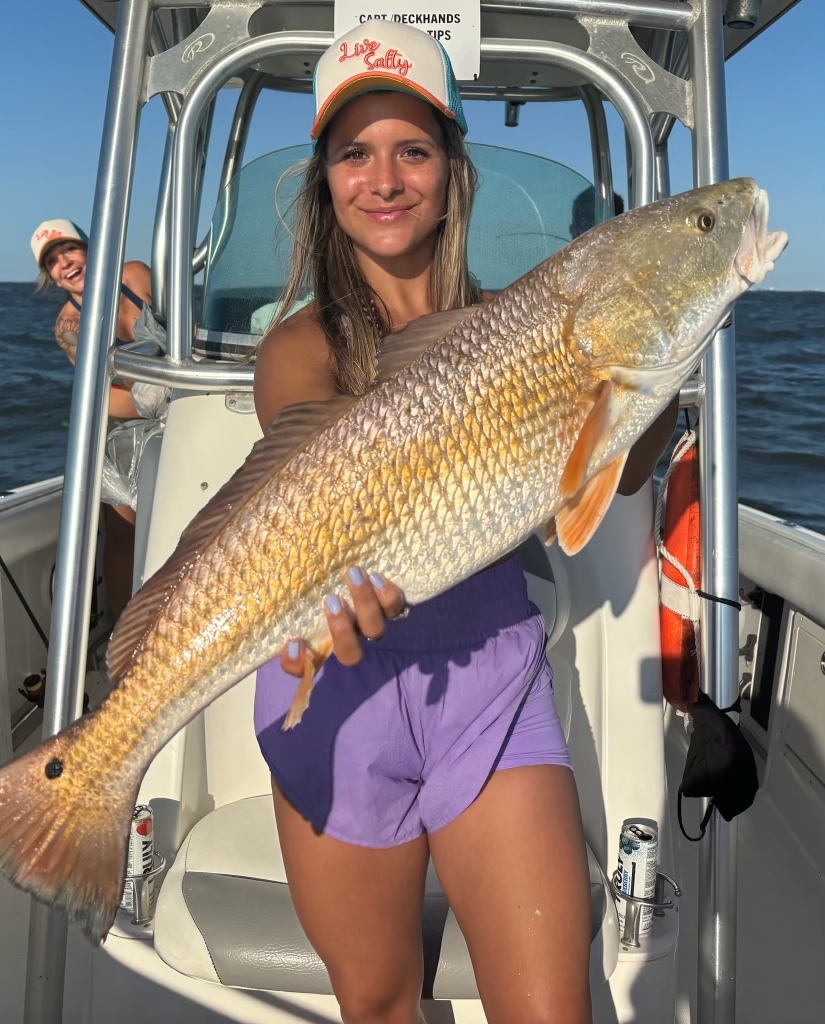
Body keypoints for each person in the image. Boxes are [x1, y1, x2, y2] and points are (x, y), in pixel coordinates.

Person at [252, 22, 677, 1024]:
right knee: (380, 1005)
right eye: (354, 153)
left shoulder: (540, 324)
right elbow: (319, 482)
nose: (385, 178)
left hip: (487, 686)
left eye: (412, 149)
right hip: (333, 694)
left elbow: (624, 474)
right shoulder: (299, 348)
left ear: (452, 167)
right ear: (324, 179)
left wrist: (651, 356)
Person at [30, 219, 154, 617]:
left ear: (89, 247)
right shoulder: (68, 325)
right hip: (119, 426)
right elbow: (103, 389)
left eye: (68, 250)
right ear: (50, 276)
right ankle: (125, 630)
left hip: (180, 404)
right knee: (122, 533)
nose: (64, 262)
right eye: (52, 261)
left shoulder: (134, 276)